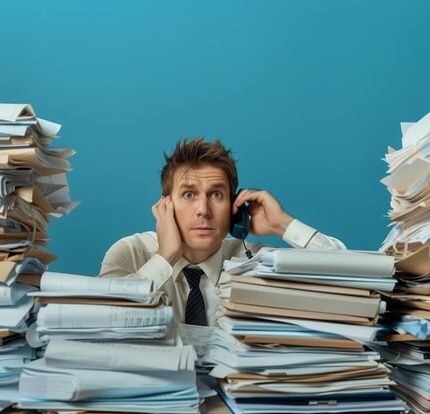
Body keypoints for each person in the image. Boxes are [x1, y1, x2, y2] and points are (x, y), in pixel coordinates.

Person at [99, 137, 345, 326]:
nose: (203, 210)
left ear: (234, 208)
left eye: (216, 194)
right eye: (189, 194)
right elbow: (96, 321)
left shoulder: (256, 261)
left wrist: (282, 225)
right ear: (166, 206)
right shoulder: (130, 253)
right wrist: (165, 257)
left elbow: (353, 287)